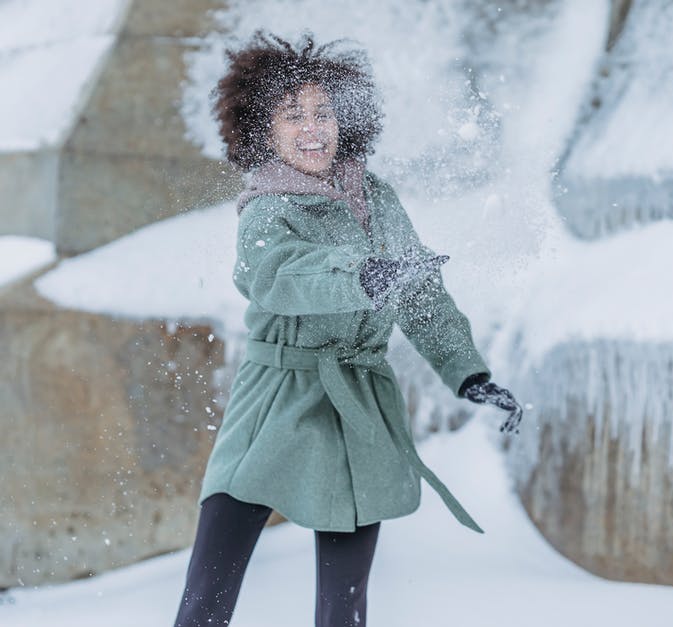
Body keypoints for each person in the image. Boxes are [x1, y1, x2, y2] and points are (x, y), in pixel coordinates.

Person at [173, 32, 522, 627]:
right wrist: (364, 276)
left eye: (324, 112)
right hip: (277, 399)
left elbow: (422, 296)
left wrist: (468, 374)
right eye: (294, 116)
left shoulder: (376, 197)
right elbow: (279, 276)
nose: (314, 127)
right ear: (264, 131)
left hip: (358, 404)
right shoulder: (265, 208)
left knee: (346, 605)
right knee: (209, 592)